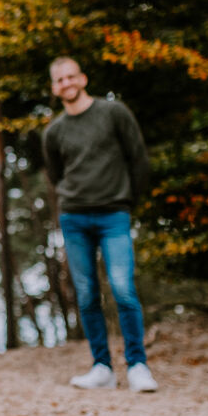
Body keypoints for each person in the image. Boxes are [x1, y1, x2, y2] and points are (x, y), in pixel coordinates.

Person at [43, 56, 158, 393]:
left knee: (123, 288)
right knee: (88, 294)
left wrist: (127, 199)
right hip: (74, 218)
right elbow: (55, 174)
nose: (66, 83)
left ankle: (138, 366)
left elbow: (137, 158)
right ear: (54, 88)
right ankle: (102, 368)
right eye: (59, 80)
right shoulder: (54, 132)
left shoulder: (113, 113)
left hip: (114, 215)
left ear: (83, 78)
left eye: (71, 77)